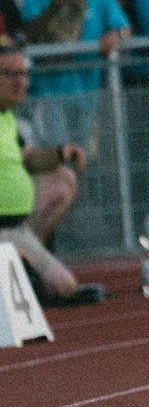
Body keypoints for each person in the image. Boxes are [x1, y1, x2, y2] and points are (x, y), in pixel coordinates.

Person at [0, 38, 104, 308]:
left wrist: (60, 153)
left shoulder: (7, 119)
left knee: (64, 286)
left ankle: (27, 272)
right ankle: (23, 275)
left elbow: (29, 157)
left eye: (23, 74)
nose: (20, 82)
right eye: (10, 74)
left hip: (17, 228)